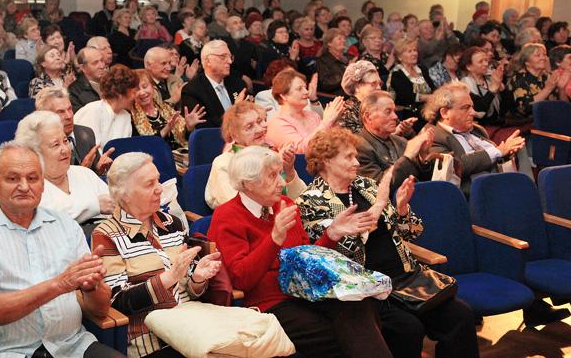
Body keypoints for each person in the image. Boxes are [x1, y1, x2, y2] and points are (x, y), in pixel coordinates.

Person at [298, 128, 480, 358]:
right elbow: (325, 258)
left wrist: (402, 209)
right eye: (348, 157)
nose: (356, 162)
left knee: (461, 316)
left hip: (407, 278)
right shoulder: (310, 201)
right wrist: (357, 230)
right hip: (368, 289)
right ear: (326, 161)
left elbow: (411, 232)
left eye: (356, 155)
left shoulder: (366, 186)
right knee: (407, 329)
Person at [208, 146, 393, 358]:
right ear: (248, 184)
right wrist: (274, 239)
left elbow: (306, 259)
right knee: (343, 337)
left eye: (280, 173)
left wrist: (331, 234)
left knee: (359, 307)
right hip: (270, 304)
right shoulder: (228, 216)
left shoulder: (284, 204)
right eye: (272, 176)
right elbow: (241, 279)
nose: (281, 182)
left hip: (308, 292)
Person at [0, 141, 124, 358]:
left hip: (73, 346)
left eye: (32, 178)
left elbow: (99, 310)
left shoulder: (66, 225)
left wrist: (92, 288)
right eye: (13, 178)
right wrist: (61, 284)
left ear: (42, 184)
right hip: (7, 351)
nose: (24, 186)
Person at [92, 152, 222, 358]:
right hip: (152, 339)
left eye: (158, 180)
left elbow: (189, 287)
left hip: (195, 326)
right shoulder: (106, 234)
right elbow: (116, 301)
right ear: (124, 194)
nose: (160, 188)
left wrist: (197, 277)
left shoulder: (172, 223)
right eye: (149, 184)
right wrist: (168, 278)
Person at [14, 111, 114, 235]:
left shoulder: (84, 174)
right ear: (34, 153)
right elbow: (47, 220)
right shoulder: (27, 187)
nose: (65, 149)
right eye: (56, 145)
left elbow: (115, 205)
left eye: (65, 141)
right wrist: (95, 205)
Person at [424, 82, 525, 195]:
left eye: (472, 107)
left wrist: (507, 153)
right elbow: (454, 166)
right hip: (473, 197)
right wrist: (498, 151)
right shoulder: (433, 136)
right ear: (445, 112)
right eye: (466, 108)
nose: (473, 112)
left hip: (499, 187)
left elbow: (496, 158)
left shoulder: (478, 130)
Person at [205, 101, 308, 209]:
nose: (260, 129)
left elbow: (302, 200)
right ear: (234, 135)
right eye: (249, 127)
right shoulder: (224, 163)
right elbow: (239, 208)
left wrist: (289, 171)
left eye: (259, 122)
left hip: (289, 216)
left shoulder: (270, 155)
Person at [356, 91, 435, 193]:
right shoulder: (358, 147)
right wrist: (407, 156)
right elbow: (377, 188)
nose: (395, 117)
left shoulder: (401, 141)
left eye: (394, 111)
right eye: (388, 112)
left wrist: (422, 156)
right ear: (368, 117)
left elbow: (427, 181)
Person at [35, 86, 114, 175]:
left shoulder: (86, 133)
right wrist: (81, 171)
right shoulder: (38, 143)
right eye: (60, 112)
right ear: (44, 116)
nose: (69, 116)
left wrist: (99, 170)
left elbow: (94, 174)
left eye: (70, 109)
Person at [266, 68, 344, 153]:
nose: (306, 91)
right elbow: (301, 151)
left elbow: (333, 144)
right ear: (284, 96)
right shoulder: (277, 123)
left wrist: (335, 120)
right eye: (299, 89)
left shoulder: (313, 116)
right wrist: (327, 121)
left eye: (305, 87)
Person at [180, 39, 247, 129]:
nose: (230, 61)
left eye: (230, 57)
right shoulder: (192, 90)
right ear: (208, 61)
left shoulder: (238, 84)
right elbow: (205, 126)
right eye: (223, 57)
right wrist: (234, 111)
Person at [131, 69, 204, 150]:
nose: (142, 92)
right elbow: (141, 146)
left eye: (145, 87)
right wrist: (165, 130)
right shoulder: (131, 116)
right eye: (137, 89)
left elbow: (184, 138)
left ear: (153, 87)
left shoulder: (166, 108)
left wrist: (189, 127)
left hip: (178, 156)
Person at [74, 64, 139, 147]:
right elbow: (89, 149)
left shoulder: (126, 116)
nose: (136, 96)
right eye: (133, 92)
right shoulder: (93, 111)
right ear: (119, 93)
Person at [507, 43, 565, 120]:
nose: (543, 58)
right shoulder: (519, 79)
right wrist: (547, 89)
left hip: (551, 118)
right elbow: (524, 109)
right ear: (527, 62)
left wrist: (561, 89)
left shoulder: (548, 76)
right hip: (525, 124)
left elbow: (563, 105)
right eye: (538, 55)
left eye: (544, 55)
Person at [388, 38, 435, 121]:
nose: (414, 53)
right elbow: (406, 97)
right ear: (399, 57)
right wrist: (428, 98)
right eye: (409, 51)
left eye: (415, 50)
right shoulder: (397, 73)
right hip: (408, 114)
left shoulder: (422, 69)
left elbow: (433, 88)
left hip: (428, 110)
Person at [459, 46, 506, 126]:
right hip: (481, 127)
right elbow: (478, 110)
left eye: (486, 60)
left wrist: (502, 88)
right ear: (469, 67)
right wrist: (493, 89)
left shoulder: (490, 78)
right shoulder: (465, 84)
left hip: (499, 124)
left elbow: (508, 107)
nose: (486, 64)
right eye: (480, 62)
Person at [337, 60, 388, 133]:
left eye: (380, 84)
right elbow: (359, 140)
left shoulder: (380, 105)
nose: (379, 88)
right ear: (357, 86)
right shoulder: (347, 111)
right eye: (373, 84)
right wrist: (393, 134)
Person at [68, 46, 107, 112]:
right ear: (83, 68)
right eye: (95, 63)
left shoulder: (113, 82)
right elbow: (80, 118)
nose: (102, 66)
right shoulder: (74, 91)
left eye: (102, 60)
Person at [316, 28, 352, 95]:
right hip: (334, 98)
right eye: (339, 39)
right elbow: (326, 83)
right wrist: (348, 71)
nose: (343, 41)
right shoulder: (323, 61)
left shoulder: (350, 57)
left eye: (344, 38)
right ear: (329, 43)